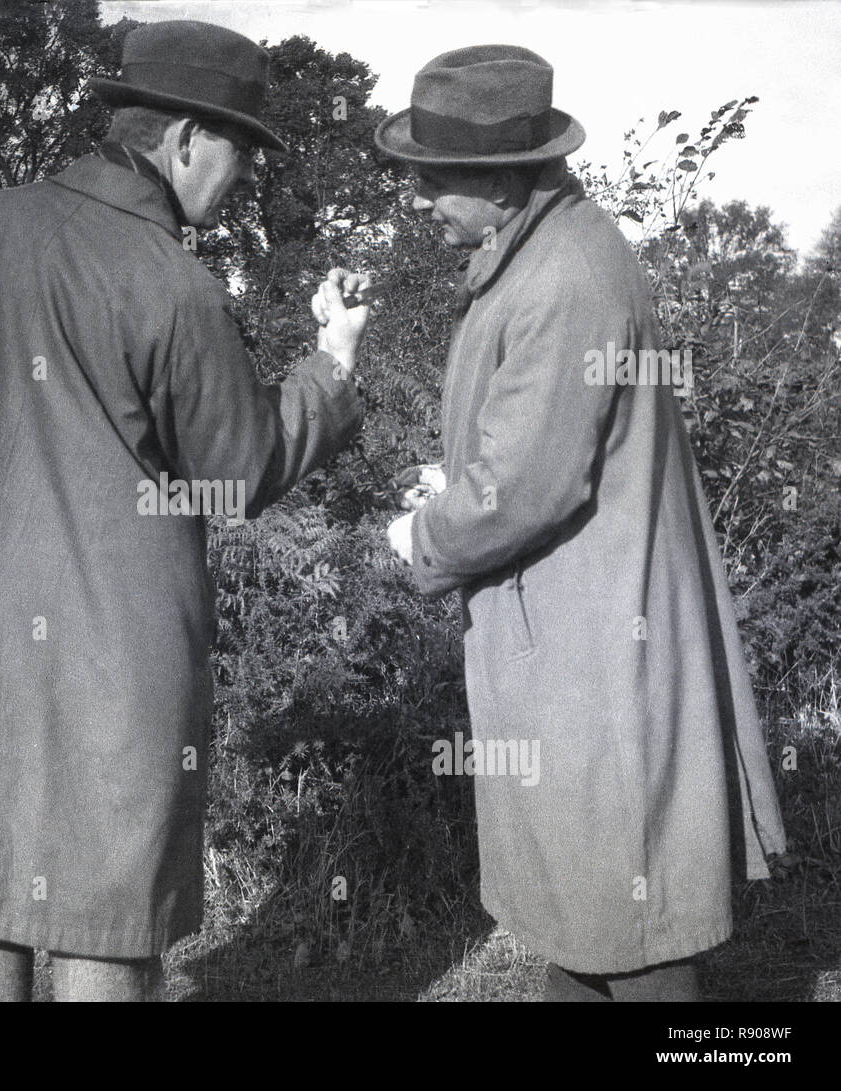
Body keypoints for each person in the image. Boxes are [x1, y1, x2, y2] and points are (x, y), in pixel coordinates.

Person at [0, 19, 370, 1002]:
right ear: (187, 139)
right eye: (242, 149)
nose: (244, 174)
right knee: (103, 913)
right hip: (113, 661)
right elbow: (239, 469)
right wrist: (331, 368)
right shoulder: (171, 281)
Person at [377, 45, 786, 1000]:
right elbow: (542, 435)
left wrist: (424, 534)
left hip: (600, 642)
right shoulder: (545, 250)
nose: (422, 195)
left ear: (505, 181)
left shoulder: (564, 275)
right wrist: (462, 469)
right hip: (577, 631)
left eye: (439, 179)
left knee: (633, 925)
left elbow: (525, 488)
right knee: (590, 903)